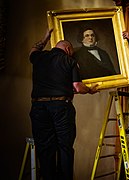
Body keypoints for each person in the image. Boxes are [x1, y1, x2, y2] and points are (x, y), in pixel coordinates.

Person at [29, 28, 98, 180]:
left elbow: (33, 50)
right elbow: (78, 87)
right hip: (61, 107)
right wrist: (90, 90)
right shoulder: (70, 60)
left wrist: (45, 38)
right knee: (65, 148)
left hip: (38, 107)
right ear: (68, 49)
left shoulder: (39, 57)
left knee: (45, 148)